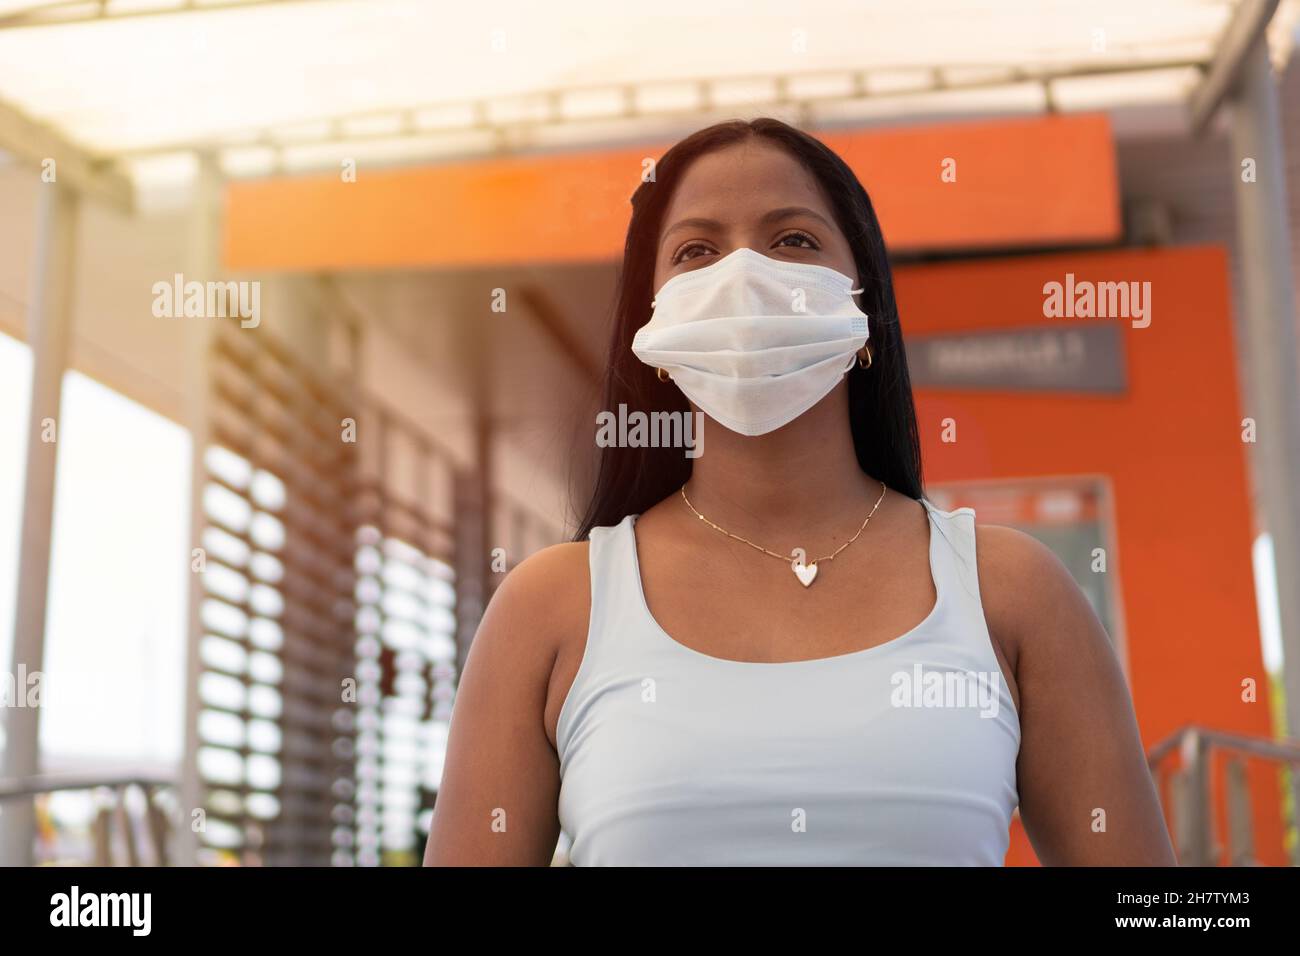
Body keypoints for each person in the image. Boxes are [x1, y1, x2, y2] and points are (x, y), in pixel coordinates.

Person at [423, 117, 1175, 866]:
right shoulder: (552, 608)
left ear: (866, 310)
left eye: (794, 240)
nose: (743, 276)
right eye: (696, 251)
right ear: (650, 331)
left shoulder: (1012, 594)